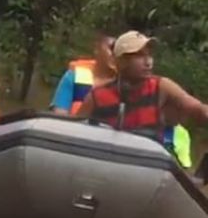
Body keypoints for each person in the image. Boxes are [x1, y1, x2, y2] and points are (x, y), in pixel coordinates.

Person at [76, 30, 208, 158]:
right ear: (121, 61)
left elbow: (197, 108)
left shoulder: (161, 86)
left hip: (150, 165)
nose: (148, 62)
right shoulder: (97, 96)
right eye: (139, 55)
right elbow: (74, 131)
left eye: (149, 55)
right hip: (110, 166)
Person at [50, 33, 116, 115]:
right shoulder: (73, 77)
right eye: (112, 48)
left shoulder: (125, 84)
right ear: (97, 49)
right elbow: (59, 116)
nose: (115, 54)